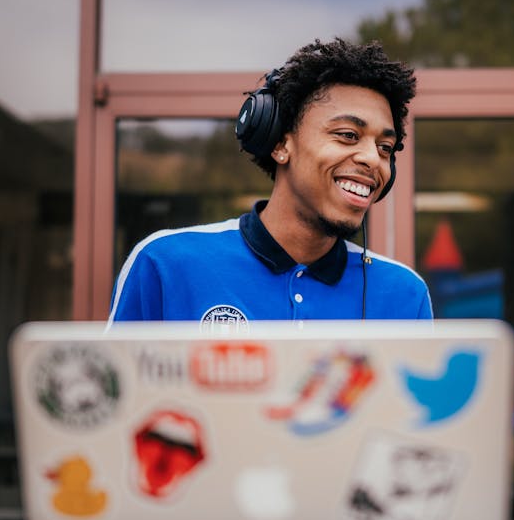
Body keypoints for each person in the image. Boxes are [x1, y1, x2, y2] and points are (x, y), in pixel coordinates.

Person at [108, 37, 433, 326]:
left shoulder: (405, 294)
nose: (372, 159)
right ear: (280, 144)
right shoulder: (165, 264)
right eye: (348, 135)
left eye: (384, 148)